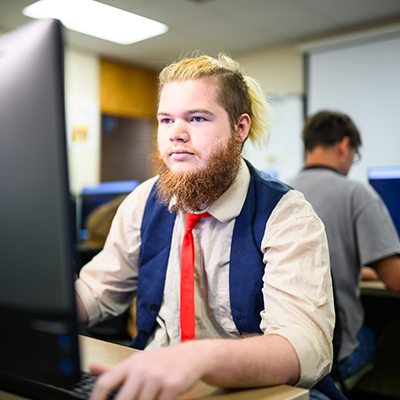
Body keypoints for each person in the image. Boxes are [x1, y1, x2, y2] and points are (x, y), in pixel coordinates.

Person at [75, 54, 342, 400]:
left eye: (197, 118)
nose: (176, 134)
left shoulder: (287, 215)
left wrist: (198, 359)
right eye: (166, 119)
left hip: (246, 391)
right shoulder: (144, 201)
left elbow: (306, 347)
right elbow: (96, 291)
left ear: (240, 127)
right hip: (157, 386)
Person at [288, 110, 400, 381]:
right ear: (344, 145)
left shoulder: (280, 192)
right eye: (354, 155)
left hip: (288, 345)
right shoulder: (356, 194)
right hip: (336, 350)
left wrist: (359, 270)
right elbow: (395, 279)